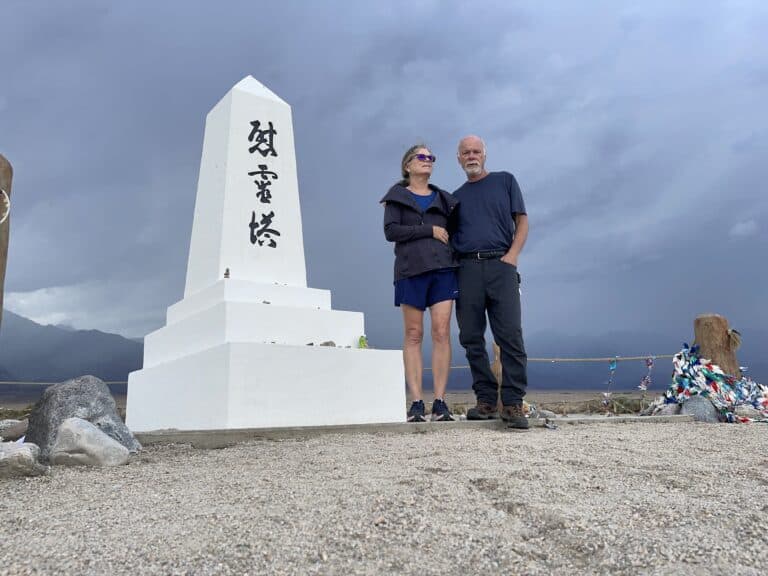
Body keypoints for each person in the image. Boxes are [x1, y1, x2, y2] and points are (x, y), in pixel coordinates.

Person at [451, 135, 530, 429]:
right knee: (471, 337)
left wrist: (512, 256)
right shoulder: (454, 198)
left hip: (502, 264)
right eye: (465, 153)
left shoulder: (505, 181)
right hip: (467, 268)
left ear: (484, 155)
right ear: (458, 159)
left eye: (476, 151)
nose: (471, 156)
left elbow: (522, 221)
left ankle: (512, 404)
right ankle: (485, 401)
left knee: (510, 335)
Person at [382, 144, 459, 422]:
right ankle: (416, 402)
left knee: (441, 332)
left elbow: (457, 232)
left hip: (443, 271)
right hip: (410, 271)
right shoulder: (396, 198)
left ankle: (439, 402)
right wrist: (429, 230)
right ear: (407, 165)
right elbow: (391, 231)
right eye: (422, 157)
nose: (428, 161)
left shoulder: (445, 199)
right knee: (414, 334)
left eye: (431, 158)